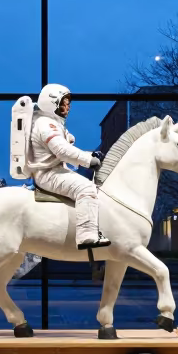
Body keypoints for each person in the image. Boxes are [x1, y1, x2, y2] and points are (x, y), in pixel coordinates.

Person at [27, 83, 109, 249]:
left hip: (54, 170)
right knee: (86, 188)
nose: (67, 106)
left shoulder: (52, 123)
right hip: (48, 173)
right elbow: (62, 150)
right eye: (63, 103)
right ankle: (87, 236)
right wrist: (89, 160)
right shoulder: (46, 124)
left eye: (68, 103)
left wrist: (89, 155)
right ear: (51, 103)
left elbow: (66, 149)